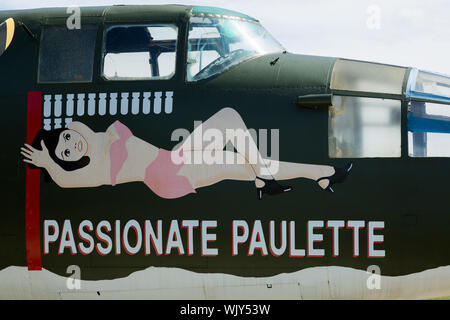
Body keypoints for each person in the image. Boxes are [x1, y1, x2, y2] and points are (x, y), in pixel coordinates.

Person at [21, 107, 352, 200]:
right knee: (229, 119)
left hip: (174, 164)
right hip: (168, 170)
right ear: (67, 160)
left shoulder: (93, 137)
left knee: (244, 162)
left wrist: (58, 143)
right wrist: (48, 162)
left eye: (65, 139)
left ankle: (318, 173)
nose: (70, 145)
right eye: (65, 152)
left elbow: (77, 127)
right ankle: (265, 180)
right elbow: (65, 182)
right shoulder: (95, 167)